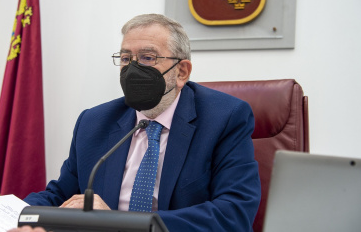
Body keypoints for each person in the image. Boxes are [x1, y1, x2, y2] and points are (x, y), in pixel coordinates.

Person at [21, 14, 261, 231]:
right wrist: (15, 215)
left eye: (147, 57)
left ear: (182, 72)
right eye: (126, 58)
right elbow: (59, 195)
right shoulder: (93, 123)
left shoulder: (225, 118)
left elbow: (233, 214)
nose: (133, 69)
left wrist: (119, 223)